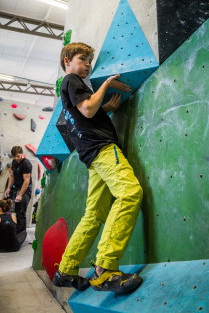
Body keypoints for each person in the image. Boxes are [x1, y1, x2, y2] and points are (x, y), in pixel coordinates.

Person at [53, 42, 143, 294]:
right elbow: (88, 109)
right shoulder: (72, 80)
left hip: (91, 156)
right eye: (83, 59)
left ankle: (66, 269)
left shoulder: (69, 89)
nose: (88, 65)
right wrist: (106, 85)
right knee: (129, 193)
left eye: (90, 61)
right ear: (67, 60)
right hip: (103, 149)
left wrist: (106, 109)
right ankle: (104, 270)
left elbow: (84, 114)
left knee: (93, 215)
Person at [2, 146, 32, 234]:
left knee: (20, 212)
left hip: (25, 190)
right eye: (14, 156)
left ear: (22, 153)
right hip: (16, 187)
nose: (16, 158)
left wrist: (20, 195)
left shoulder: (26, 164)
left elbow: (26, 181)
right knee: (10, 209)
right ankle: (11, 231)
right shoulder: (14, 161)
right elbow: (12, 176)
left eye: (18, 156)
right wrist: (8, 188)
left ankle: (21, 234)